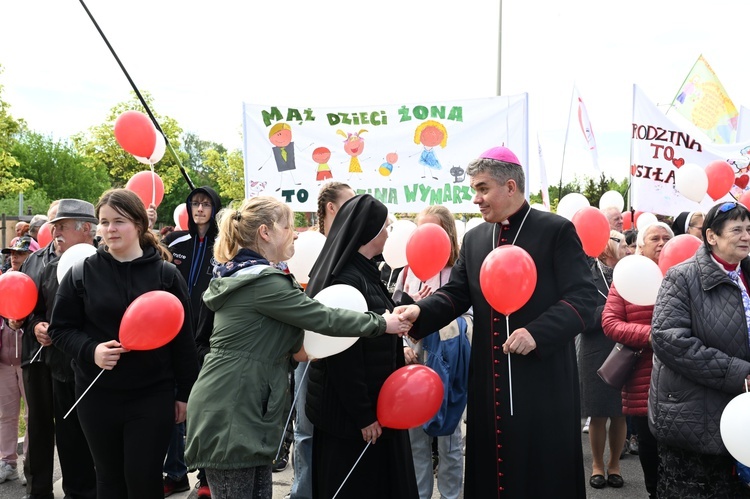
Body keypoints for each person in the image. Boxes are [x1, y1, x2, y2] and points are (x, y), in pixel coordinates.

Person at [394, 146, 597, 498]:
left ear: (510, 186)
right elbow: (456, 295)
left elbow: (583, 298)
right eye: (475, 190)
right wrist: (421, 312)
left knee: (542, 474)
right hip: (491, 381)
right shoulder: (475, 239)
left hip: (543, 382)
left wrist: (537, 332)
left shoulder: (556, 231)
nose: (476, 199)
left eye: (482, 188)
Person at [184, 195, 409, 499]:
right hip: (233, 409)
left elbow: (296, 347)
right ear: (265, 232)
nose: (296, 233)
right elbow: (322, 318)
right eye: (288, 226)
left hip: (247, 408)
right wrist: (382, 324)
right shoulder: (263, 283)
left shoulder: (254, 277)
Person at [48, 189, 199, 499]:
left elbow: (184, 341)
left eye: (119, 221)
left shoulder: (166, 275)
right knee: (109, 481)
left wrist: (185, 394)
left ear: (140, 225)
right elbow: (60, 330)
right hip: (96, 395)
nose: (110, 229)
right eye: (104, 222)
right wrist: (92, 350)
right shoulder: (82, 273)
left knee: (143, 480)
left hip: (152, 395)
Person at [305, 194, 419, 499]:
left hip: (368, 410)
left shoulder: (365, 270)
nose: (387, 234)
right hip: (352, 420)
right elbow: (344, 356)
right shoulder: (347, 280)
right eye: (385, 227)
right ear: (368, 231)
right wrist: (363, 415)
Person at [650, 201, 750, 497]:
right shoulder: (682, 277)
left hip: (742, 417)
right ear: (711, 237)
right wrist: (740, 374)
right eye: (736, 230)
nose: (746, 236)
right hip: (694, 419)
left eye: (748, 229)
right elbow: (670, 340)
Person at [22, 199, 97, 499]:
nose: (55, 232)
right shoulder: (36, 259)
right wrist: (35, 325)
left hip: (87, 365)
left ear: (86, 229)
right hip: (48, 363)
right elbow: (29, 306)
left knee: (86, 439)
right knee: (53, 433)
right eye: (54, 226)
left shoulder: (100, 261)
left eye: (62, 225)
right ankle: (44, 491)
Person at [394, 205, 467, 499]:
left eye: (432, 230)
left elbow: (469, 320)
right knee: (414, 438)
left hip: (448, 367)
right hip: (413, 366)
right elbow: (392, 314)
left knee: (450, 438)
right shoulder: (405, 273)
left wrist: (432, 312)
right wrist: (402, 344)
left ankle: (450, 495)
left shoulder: (458, 273)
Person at [289, 181, 355, 499]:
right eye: (349, 203)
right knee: (305, 429)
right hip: (309, 348)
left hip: (340, 347)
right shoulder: (311, 245)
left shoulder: (350, 247)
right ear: (331, 207)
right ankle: (302, 492)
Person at [602, 221, 674, 499]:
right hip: (644, 377)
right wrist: (651, 336)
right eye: (654, 238)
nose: (661, 243)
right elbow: (609, 323)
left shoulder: (686, 276)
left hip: (684, 376)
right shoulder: (627, 279)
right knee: (649, 442)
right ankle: (654, 492)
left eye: (666, 237)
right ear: (640, 248)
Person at [164, 186, 222, 498]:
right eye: (195, 203)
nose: (199, 209)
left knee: (205, 406)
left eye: (205, 204)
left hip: (207, 337)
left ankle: (206, 477)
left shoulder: (223, 244)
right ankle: (175, 473)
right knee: (176, 403)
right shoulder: (176, 241)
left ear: (215, 208)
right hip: (173, 334)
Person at [578, 230, 628, 489]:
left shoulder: (631, 271)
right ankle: (598, 465)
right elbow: (582, 314)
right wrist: (611, 312)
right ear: (607, 245)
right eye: (621, 241)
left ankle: (615, 465)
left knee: (620, 413)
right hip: (595, 347)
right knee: (597, 413)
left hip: (627, 348)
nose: (627, 245)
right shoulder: (587, 272)